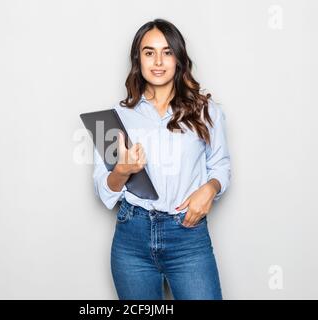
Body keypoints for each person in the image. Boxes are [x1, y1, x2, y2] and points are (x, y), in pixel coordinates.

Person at [92, 18, 231, 300]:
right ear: (138, 60)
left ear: (178, 59)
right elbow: (102, 188)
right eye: (149, 52)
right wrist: (122, 169)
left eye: (167, 52)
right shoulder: (116, 117)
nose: (158, 61)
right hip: (132, 238)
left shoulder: (207, 112)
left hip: (188, 237)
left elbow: (221, 166)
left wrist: (210, 188)